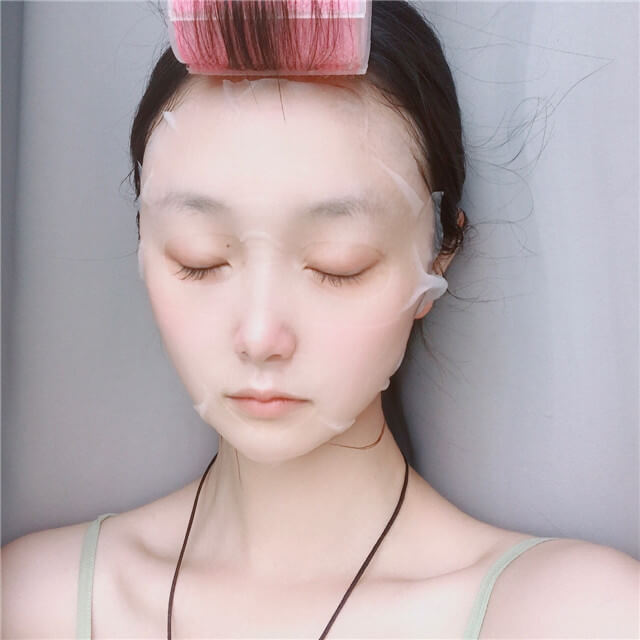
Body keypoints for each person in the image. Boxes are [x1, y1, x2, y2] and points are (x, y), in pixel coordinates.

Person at [3, 2, 637, 639]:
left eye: (339, 265)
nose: (260, 337)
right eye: (200, 259)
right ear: (145, 242)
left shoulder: (572, 617)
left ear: (438, 255)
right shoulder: (35, 606)